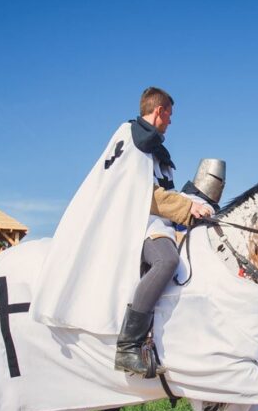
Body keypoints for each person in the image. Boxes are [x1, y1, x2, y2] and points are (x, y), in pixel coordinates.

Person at [30, 87, 212, 378]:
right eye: (169, 115)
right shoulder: (133, 139)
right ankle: (129, 346)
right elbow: (143, 195)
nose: (170, 122)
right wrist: (186, 206)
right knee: (166, 261)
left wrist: (193, 201)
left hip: (152, 220)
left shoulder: (147, 146)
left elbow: (161, 190)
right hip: (136, 222)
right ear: (160, 111)